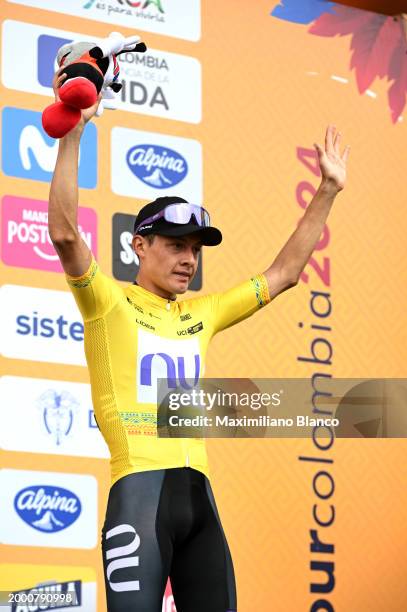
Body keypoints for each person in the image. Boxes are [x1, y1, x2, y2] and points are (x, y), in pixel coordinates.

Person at [48, 71, 350, 612]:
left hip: (201, 505)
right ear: (139, 245)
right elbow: (66, 233)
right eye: (175, 245)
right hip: (138, 497)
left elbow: (282, 274)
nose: (189, 259)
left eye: (196, 249)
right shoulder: (107, 303)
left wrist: (327, 190)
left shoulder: (202, 314)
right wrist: (73, 132)